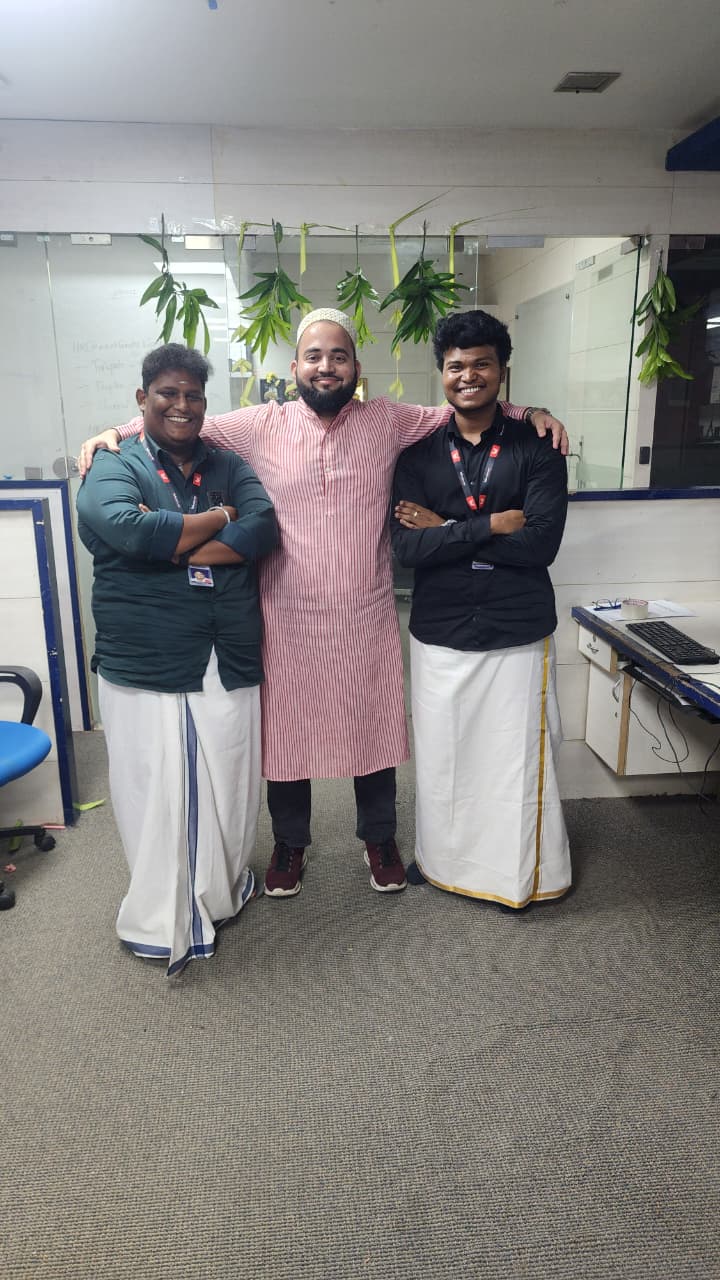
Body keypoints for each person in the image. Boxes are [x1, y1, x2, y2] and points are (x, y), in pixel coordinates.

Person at [78, 308, 567, 900]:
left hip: (365, 613)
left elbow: (464, 404)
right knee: (286, 736)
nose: (326, 366)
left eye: (339, 356)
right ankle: (290, 843)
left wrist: (531, 412)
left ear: (357, 368)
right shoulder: (260, 424)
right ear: (294, 368)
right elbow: (186, 419)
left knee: (373, 730)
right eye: (314, 356)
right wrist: (114, 432)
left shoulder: (387, 421)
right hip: (284, 614)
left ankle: (379, 839)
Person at [76, 344, 278, 974]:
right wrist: (220, 518)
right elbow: (126, 527)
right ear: (143, 400)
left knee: (231, 774)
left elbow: (263, 526)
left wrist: (178, 544)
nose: (182, 405)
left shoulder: (227, 461)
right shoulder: (115, 462)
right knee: (156, 785)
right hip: (150, 656)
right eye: (168, 393)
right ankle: (163, 913)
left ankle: (220, 889)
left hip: (228, 649)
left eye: (193, 395)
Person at [391, 309, 571, 910]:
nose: (468, 376)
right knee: (445, 757)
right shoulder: (416, 455)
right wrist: (489, 525)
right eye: (456, 366)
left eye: (481, 364)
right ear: (442, 373)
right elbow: (406, 549)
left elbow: (540, 546)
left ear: (502, 371)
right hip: (441, 629)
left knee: (512, 759)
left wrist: (445, 529)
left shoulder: (539, 447)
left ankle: (518, 874)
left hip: (516, 628)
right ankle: (443, 862)